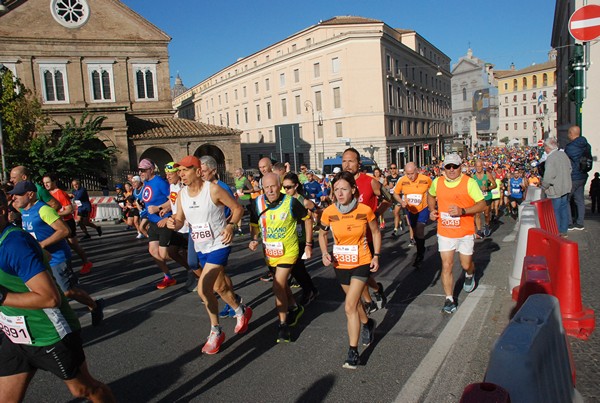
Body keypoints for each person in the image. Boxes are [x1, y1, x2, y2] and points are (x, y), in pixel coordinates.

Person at [0, 189, 115, 403]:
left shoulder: (13, 244)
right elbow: (45, 254)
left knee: (83, 389)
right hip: (15, 336)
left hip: (50, 333)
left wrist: (2, 297)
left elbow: (50, 299)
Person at [167, 156, 251, 355]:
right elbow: (180, 220)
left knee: (204, 289)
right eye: (179, 171)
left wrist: (230, 225)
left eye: (185, 170)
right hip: (201, 246)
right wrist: (173, 223)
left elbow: (237, 208)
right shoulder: (181, 195)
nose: (181, 175)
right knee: (220, 287)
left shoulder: (212, 189)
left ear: (197, 171)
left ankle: (216, 331)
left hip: (219, 245)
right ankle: (241, 310)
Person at [10, 181, 104, 326]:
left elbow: (64, 230)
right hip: (41, 258)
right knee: (45, 292)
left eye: (18, 194)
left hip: (57, 257)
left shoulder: (43, 210)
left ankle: (94, 305)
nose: (14, 197)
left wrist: (42, 244)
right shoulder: (25, 211)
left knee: (67, 291)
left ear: (30, 194)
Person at [318, 171, 380, 369]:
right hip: (340, 264)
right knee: (355, 305)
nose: (340, 193)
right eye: (336, 190)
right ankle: (367, 323)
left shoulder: (364, 210)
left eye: (344, 189)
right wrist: (324, 253)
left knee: (349, 306)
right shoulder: (329, 212)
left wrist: (376, 255)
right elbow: (321, 234)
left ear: (353, 190)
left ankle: (353, 352)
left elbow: (376, 232)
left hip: (361, 261)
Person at [248, 173, 312, 343]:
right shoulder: (257, 203)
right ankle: (294, 307)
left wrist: (308, 244)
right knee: (282, 286)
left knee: (278, 284)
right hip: (269, 253)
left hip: (289, 252)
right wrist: (254, 239)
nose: (270, 190)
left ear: (280, 186)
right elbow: (254, 225)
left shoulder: (291, 202)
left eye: (273, 186)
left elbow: (307, 219)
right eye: (266, 187)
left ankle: (282, 325)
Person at [427, 154, 486, 314]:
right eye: (448, 167)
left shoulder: (469, 183)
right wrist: (432, 210)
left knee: (466, 264)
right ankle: (449, 299)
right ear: (443, 168)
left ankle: (470, 273)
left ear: (461, 166)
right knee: (447, 265)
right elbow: (430, 195)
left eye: (455, 166)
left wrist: (463, 211)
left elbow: (482, 204)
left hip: (465, 231)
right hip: (445, 231)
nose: (452, 170)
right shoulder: (437, 182)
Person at [341, 148, 389, 314]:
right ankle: (370, 300)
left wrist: (375, 214)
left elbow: (388, 199)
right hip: (348, 239)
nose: (347, 165)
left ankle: (374, 292)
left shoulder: (370, 181)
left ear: (358, 163)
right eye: (344, 161)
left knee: (363, 274)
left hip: (367, 237)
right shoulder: (339, 183)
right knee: (358, 275)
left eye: (351, 161)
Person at [199, 156, 245, 317]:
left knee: (219, 275)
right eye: (200, 171)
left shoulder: (221, 187)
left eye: (204, 171)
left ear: (213, 171)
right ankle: (231, 299)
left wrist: (228, 225)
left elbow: (236, 209)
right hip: (204, 237)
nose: (201, 174)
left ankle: (233, 303)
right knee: (214, 273)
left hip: (220, 236)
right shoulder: (202, 188)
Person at [138, 158, 180, 290]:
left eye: (143, 170)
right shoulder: (146, 184)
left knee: (165, 255)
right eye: (139, 171)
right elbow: (148, 206)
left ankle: (192, 266)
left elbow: (173, 200)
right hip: (153, 223)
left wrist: (160, 208)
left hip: (164, 221)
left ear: (151, 169)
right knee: (153, 251)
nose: (141, 173)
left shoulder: (160, 182)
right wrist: (143, 222)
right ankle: (168, 276)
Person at [42, 174, 94, 276]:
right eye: (44, 183)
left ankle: (86, 263)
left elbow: (69, 209)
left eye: (48, 182)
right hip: (56, 223)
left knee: (73, 244)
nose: (46, 185)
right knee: (58, 245)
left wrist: (54, 215)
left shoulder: (60, 193)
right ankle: (60, 269)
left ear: (54, 182)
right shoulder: (47, 194)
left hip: (67, 222)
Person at [282, 172, 320, 305]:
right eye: (284, 187)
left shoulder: (303, 201)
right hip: (290, 239)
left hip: (303, 239)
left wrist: (315, 221)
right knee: (296, 269)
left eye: (289, 187)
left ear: (296, 186)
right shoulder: (284, 200)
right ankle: (311, 289)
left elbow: (317, 211)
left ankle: (308, 291)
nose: (286, 190)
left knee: (297, 268)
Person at [393, 162, 432, 268]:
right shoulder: (402, 180)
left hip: (423, 209)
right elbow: (395, 193)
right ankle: (421, 246)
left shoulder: (426, 179)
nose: (410, 176)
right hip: (410, 210)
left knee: (420, 228)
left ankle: (420, 254)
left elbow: (433, 191)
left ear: (417, 171)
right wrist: (401, 202)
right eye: (408, 173)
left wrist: (432, 203)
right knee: (414, 231)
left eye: (412, 173)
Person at [541, 137, 572, 236]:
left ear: (547, 147)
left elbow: (548, 177)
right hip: (565, 186)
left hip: (555, 189)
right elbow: (570, 169)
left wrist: (543, 187)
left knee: (555, 211)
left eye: (544, 147)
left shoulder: (551, 158)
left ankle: (557, 232)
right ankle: (564, 230)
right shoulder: (563, 154)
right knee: (564, 209)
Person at [565, 125, 590, 230]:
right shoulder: (586, 145)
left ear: (571, 133)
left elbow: (566, 160)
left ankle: (569, 223)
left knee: (566, 199)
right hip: (583, 175)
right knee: (579, 199)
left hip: (573, 176)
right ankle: (580, 223)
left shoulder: (570, 147)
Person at [472, 160, 496, 238]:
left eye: (480, 166)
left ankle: (486, 225)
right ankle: (479, 231)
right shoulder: (473, 176)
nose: (478, 168)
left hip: (487, 196)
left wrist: (487, 188)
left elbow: (495, 185)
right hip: (477, 197)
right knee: (477, 214)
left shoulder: (487, 174)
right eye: (477, 166)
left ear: (482, 166)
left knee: (486, 214)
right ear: (475, 167)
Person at [384, 163, 405, 237]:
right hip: (391, 198)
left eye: (394, 168)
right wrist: (388, 186)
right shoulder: (388, 177)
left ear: (396, 169)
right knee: (395, 213)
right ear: (389, 170)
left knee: (396, 213)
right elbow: (384, 185)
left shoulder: (400, 177)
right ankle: (400, 221)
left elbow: (404, 186)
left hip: (398, 197)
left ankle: (395, 230)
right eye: (391, 168)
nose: (393, 170)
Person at [233, 167, 253, 235]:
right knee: (238, 214)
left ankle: (253, 229)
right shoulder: (236, 180)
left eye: (238, 173)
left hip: (247, 199)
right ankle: (239, 229)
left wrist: (244, 191)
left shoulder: (245, 180)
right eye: (235, 173)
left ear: (242, 173)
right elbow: (238, 189)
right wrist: (236, 192)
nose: (236, 174)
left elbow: (252, 190)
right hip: (240, 199)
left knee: (251, 215)